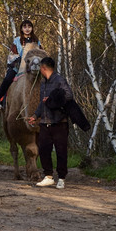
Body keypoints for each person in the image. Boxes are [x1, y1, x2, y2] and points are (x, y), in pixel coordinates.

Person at [26, 56, 73, 190]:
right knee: (44, 149)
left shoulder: (59, 80)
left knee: (61, 151)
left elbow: (69, 95)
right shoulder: (43, 83)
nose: (40, 69)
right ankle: (48, 176)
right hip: (45, 122)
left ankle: (62, 178)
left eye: (41, 67)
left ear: (44, 68)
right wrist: (35, 115)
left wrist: (53, 98)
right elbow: (43, 102)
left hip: (59, 122)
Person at [0, 19, 40, 110]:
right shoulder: (17, 40)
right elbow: (12, 55)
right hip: (18, 66)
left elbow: (40, 53)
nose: (27, 29)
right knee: (8, 78)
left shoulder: (36, 40)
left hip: (33, 66)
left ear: (32, 28)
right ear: (21, 29)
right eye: (25, 27)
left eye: (29, 27)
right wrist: (18, 58)